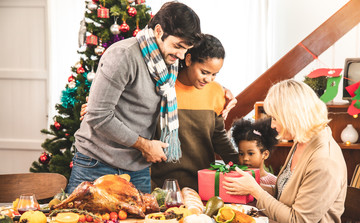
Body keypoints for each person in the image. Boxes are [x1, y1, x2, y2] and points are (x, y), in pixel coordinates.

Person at [66, 1, 201, 194]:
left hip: (137, 169)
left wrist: (223, 92)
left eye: (186, 49)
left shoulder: (168, 62)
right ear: (158, 31)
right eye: (178, 46)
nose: (181, 55)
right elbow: (98, 115)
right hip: (96, 165)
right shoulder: (123, 55)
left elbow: (201, 67)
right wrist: (144, 145)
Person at [223, 80, 347, 223]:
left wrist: (256, 191)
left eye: (275, 118)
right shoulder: (302, 141)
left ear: (292, 116)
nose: (272, 125)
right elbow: (285, 193)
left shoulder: (324, 161)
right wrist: (250, 186)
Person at [151, 34, 239, 191]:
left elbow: (218, 137)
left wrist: (242, 165)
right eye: (204, 72)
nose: (209, 79)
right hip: (161, 187)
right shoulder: (163, 88)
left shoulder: (216, 91)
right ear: (188, 59)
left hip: (203, 187)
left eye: (214, 74)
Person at [231, 117, 278, 185]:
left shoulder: (273, 182)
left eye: (250, 153)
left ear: (265, 155)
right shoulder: (237, 179)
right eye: (241, 154)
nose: (245, 158)